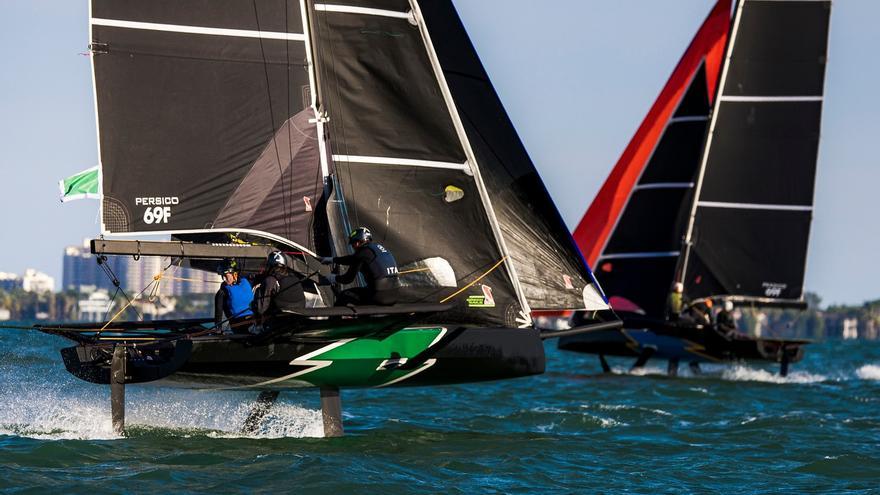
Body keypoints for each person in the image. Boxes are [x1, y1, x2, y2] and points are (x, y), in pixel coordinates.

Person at [321, 227, 400, 306]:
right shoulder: (376, 249)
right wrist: (333, 259)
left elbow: (347, 279)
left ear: (357, 243)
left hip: (379, 296)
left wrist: (333, 278)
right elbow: (352, 259)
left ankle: (334, 318)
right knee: (363, 293)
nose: (353, 247)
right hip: (395, 294)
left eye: (352, 244)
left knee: (344, 295)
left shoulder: (362, 253)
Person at [252, 251, 307, 317]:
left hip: (281, 319)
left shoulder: (270, 280)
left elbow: (261, 309)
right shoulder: (295, 278)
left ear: (271, 266)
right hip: (300, 316)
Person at [214, 259, 254, 334]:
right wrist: (218, 328)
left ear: (234, 274)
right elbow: (218, 311)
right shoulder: (222, 292)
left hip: (253, 320)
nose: (224, 280)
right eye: (223, 277)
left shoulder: (247, 281)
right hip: (238, 325)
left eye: (226, 276)